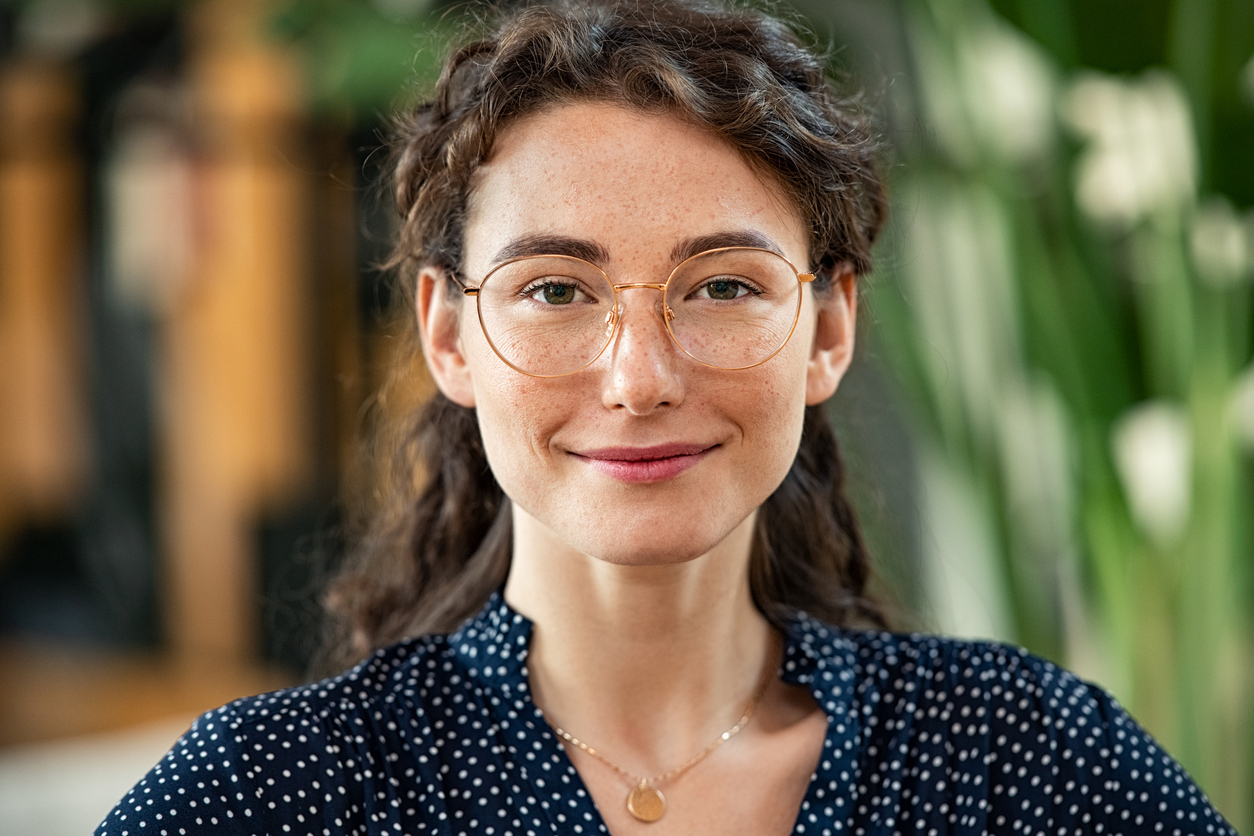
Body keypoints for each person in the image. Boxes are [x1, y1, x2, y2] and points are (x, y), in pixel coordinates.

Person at [97, 1, 1236, 834]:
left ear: (829, 326)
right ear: (448, 334)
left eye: (724, 286)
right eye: (555, 289)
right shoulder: (281, 791)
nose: (639, 377)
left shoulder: (1023, 763)